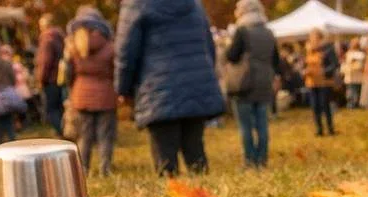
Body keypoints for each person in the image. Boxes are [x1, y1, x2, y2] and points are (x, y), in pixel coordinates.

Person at [116, 0, 225, 175]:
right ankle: (204, 190)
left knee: (165, 159)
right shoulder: (194, 4)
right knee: (196, 152)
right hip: (195, 83)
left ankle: (172, 189)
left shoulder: (137, 4)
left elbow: (126, 51)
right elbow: (208, 44)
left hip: (158, 87)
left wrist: (123, 88)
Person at [225, 0, 279, 167]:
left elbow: (232, 56)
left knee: (246, 125)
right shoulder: (269, 32)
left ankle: (250, 160)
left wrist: (227, 44)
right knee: (262, 123)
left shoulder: (242, 31)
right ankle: (262, 159)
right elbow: (276, 60)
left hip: (245, 83)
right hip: (264, 82)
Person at [65, 7, 117, 175]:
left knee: (84, 136)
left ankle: (83, 169)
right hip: (106, 95)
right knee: (105, 135)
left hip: (81, 96)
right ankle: (105, 169)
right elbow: (115, 71)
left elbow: (68, 74)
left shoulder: (73, 46)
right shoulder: (109, 46)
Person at [304, 29, 339, 136]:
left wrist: (324, 71)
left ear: (320, 38)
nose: (312, 40)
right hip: (312, 82)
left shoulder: (328, 49)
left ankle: (330, 128)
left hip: (325, 82)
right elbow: (306, 64)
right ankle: (319, 129)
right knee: (315, 106)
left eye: (314, 37)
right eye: (311, 37)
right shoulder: (309, 50)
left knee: (325, 105)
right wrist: (305, 71)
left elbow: (335, 64)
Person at [35, 14, 65, 136]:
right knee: (60, 108)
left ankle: (63, 132)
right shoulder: (60, 37)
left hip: (50, 79)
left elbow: (45, 62)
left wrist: (41, 79)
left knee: (51, 110)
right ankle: (64, 131)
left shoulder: (47, 39)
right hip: (61, 78)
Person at [342, 38, 366, 109]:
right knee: (352, 91)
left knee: (354, 91)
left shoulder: (360, 54)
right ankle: (352, 104)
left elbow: (360, 65)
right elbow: (345, 64)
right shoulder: (348, 54)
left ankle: (354, 104)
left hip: (356, 76)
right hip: (351, 75)